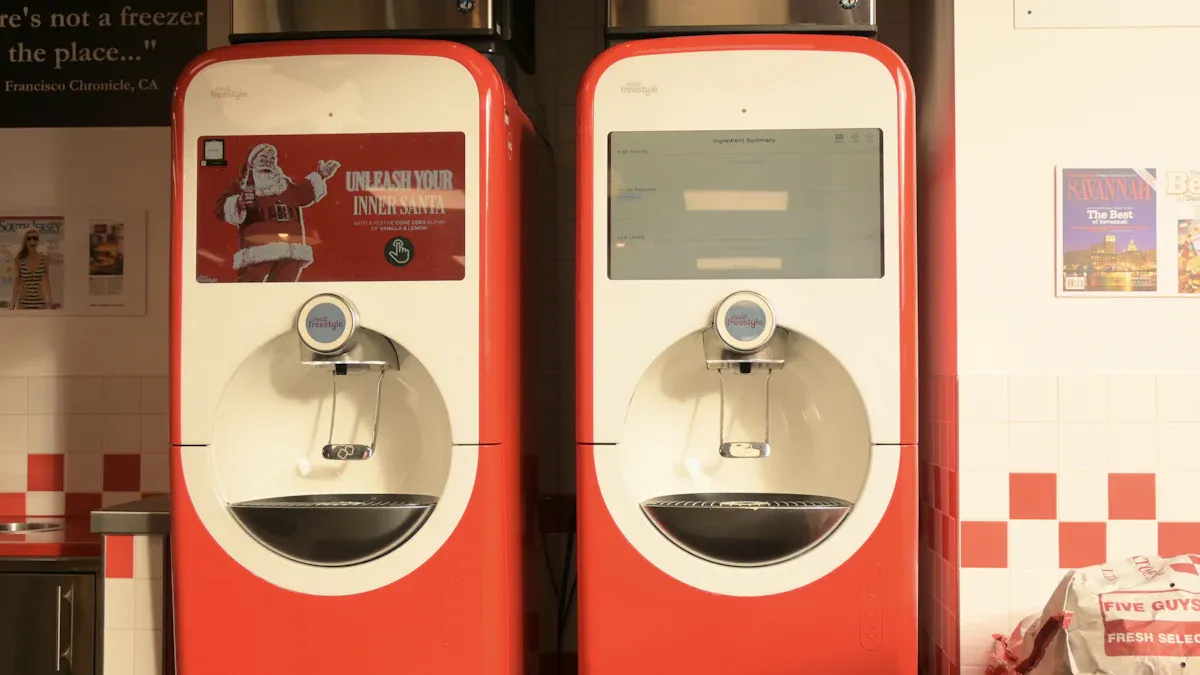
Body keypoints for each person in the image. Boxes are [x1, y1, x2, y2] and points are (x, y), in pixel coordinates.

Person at [214, 143, 340, 282]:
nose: (268, 162)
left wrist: (320, 175)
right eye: (263, 159)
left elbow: (304, 194)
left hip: (291, 250)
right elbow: (221, 208)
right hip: (256, 250)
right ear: (252, 164)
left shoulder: (285, 185)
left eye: (272, 159)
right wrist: (239, 202)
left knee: (285, 287)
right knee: (250, 287)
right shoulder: (241, 185)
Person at [10, 228, 53, 310]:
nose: (32, 241)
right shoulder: (19, 260)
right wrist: (12, 305)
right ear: (25, 241)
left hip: (40, 302)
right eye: (29, 239)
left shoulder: (45, 259)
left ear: (38, 241)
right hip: (23, 303)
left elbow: (47, 283)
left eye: (35, 238)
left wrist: (51, 303)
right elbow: (17, 284)